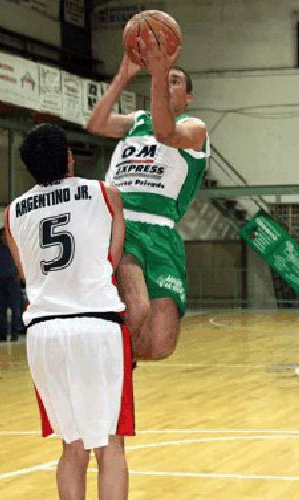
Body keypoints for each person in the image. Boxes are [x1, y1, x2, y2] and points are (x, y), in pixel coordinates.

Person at [7, 123, 132, 500]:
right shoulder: (105, 194)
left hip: (44, 332)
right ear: (69, 158)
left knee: (71, 446)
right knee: (110, 446)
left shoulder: (12, 213)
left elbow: (26, 274)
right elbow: (111, 260)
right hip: (96, 326)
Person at [86, 29, 208, 361]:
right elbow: (95, 124)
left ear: (188, 98)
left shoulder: (195, 128)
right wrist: (123, 76)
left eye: (175, 81)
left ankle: (117, 357)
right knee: (136, 309)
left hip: (163, 234)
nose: (166, 84)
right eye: (163, 80)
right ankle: (102, 362)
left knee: (159, 346)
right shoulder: (136, 121)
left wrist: (157, 73)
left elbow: (165, 132)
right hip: (123, 226)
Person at [0, 228, 24, 342]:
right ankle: (2, 335)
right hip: (2, 280)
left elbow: (22, 261)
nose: (4, 237)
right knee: (2, 309)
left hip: (13, 280)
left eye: (6, 235)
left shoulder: (15, 247)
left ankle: (15, 334)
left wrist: (19, 274)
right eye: (2, 235)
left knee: (15, 308)